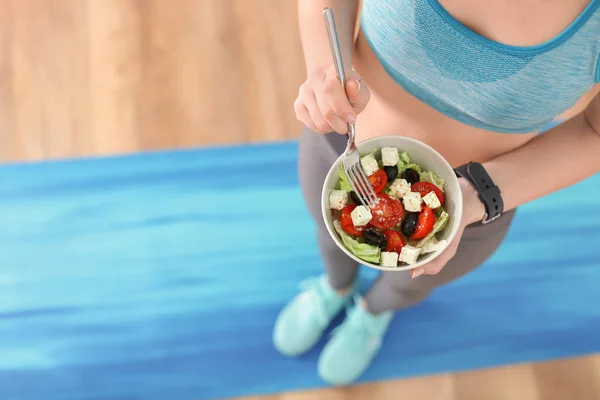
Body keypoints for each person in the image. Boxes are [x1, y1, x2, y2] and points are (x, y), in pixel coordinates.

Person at [273, 0, 600, 385]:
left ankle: (371, 312)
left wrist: (479, 196)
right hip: (339, 149)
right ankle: (335, 287)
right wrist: (325, 70)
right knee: (329, 241)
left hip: (475, 207)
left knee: (406, 287)